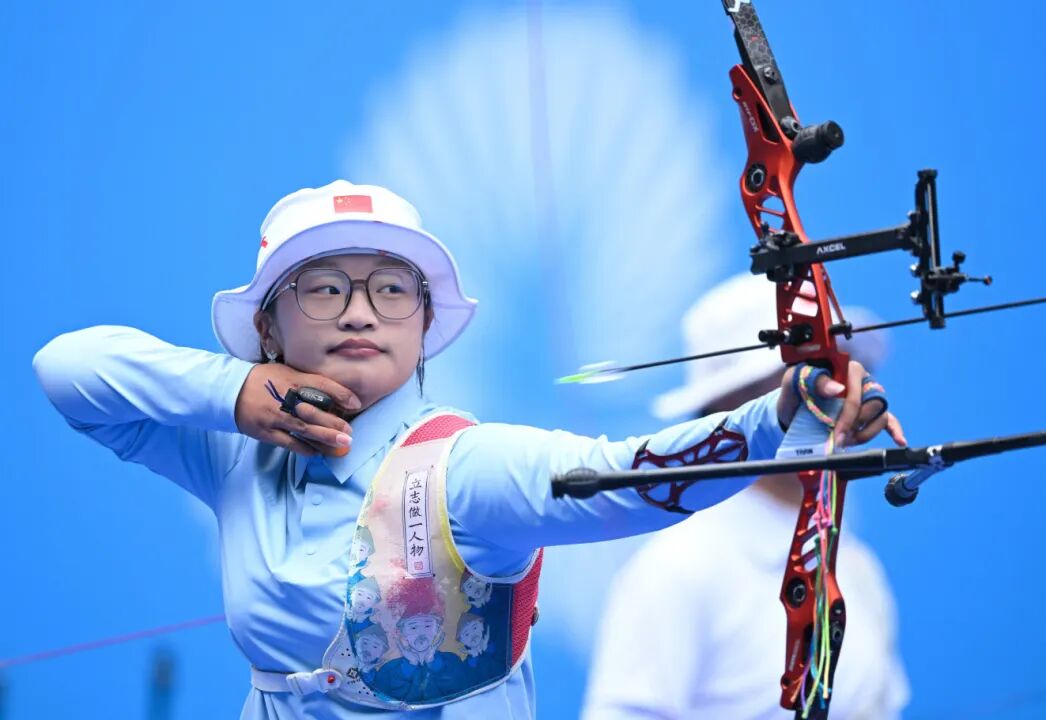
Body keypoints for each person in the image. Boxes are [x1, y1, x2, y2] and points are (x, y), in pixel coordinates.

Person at [32, 181, 902, 718]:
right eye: (324, 288)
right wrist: (235, 392)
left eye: (392, 290)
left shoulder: (466, 471)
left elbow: (633, 476)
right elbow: (68, 371)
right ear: (268, 325)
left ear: (425, 325)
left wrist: (779, 415)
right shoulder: (236, 455)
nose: (360, 311)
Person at [582, 273, 911, 720]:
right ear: (733, 411)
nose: (841, 396)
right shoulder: (679, 567)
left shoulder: (856, 566)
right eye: (809, 380)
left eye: (835, 373)